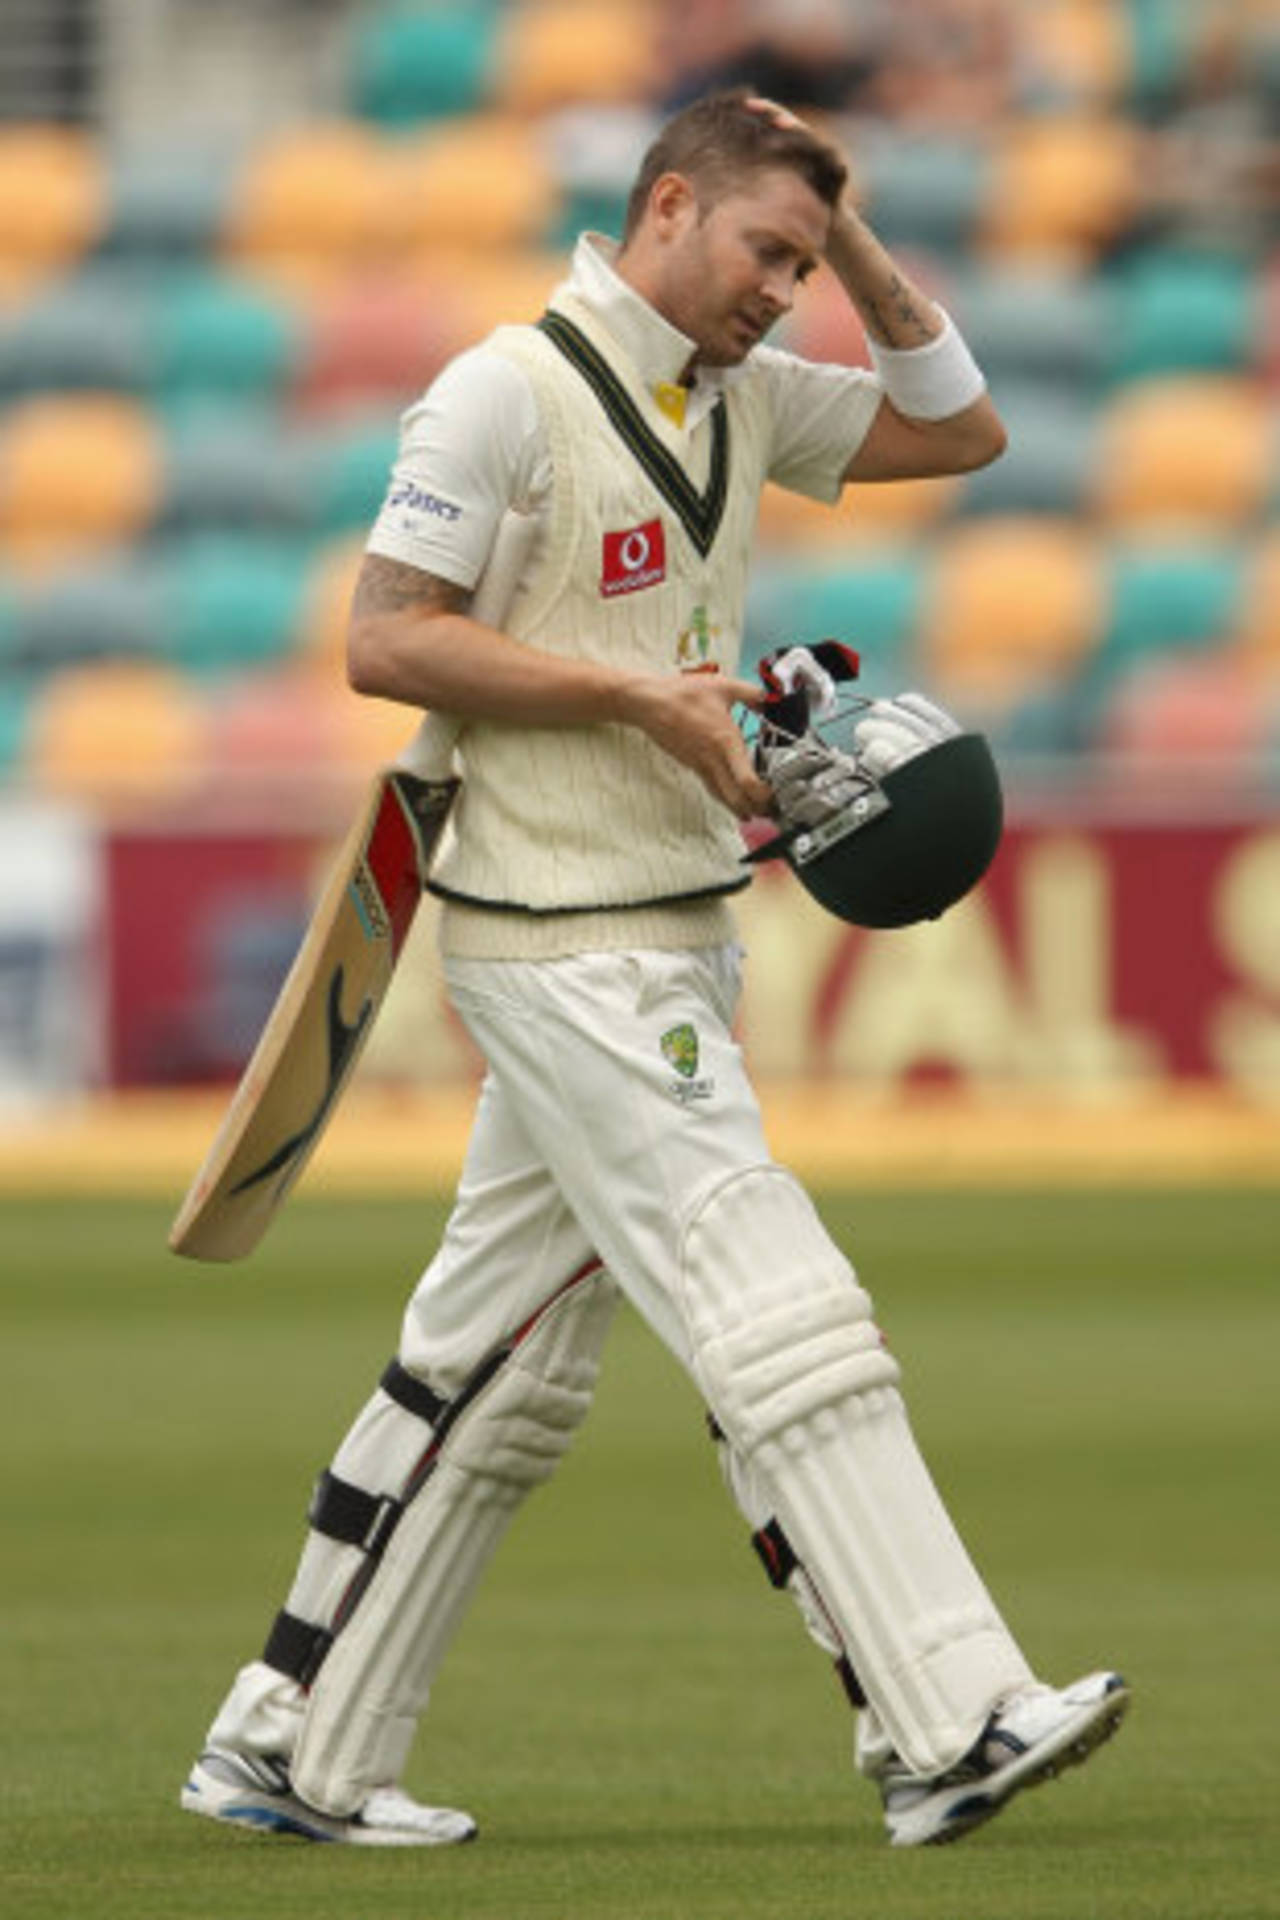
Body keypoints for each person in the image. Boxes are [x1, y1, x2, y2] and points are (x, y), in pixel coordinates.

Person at [180, 89, 1128, 1851]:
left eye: (805, 262)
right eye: (767, 251)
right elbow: (385, 635)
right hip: (562, 940)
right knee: (780, 1308)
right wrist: (632, 696)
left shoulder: (744, 399)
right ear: (668, 205)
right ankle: (948, 1717)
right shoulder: (502, 390)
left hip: (675, 926)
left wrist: (848, 232)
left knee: (500, 1372)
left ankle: (291, 1739)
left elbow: (967, 428)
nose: (784, 290)